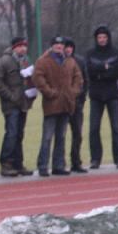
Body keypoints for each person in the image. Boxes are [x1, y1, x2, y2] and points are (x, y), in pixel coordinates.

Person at [33, 35, 83, 177]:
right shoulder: (43, 61)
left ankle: (58, 165)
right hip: (51, 104)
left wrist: (73, 92)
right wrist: (49, 92)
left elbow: (78, 77)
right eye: (56, 44)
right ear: (52, 46)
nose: (59, 47)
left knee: (61, 137)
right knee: (47, 137)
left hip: (66, 104)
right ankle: (43, 165)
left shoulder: (70, 61)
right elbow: (38, 77)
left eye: (61, 45)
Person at [0, 35, 37, 177]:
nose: (23, 48)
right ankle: (6, 163)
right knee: (11, 133)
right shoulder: (4, 61)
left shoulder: (26, 61)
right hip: (10, 104)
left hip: (23, 103)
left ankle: (18, 164)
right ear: (14, 47)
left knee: (19, 134)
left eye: (25, 46)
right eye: (20, 46)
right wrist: (10, 96)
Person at [86, 24, 118, 168]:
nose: (102, 40)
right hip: (96, 96)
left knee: (116, 127)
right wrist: (106, 68)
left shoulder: (116, 52)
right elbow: (89, 72)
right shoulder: (90, 54)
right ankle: (95, 159)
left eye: (104, 37)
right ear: (96, 39)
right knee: (94, 128)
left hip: (113, 95)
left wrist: (100, 72)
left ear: (108, 38)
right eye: (99, 37)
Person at [63, 38, 89, 173]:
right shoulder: (58, 61)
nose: (68, 49)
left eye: (70, 47)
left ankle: (76, 161)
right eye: (66, 47)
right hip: (62, 104)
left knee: (77, 134)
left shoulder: (79, 61)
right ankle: (59, 163)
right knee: (61, 134)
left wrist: (82, 97)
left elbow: (85, 80)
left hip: (77, 103)